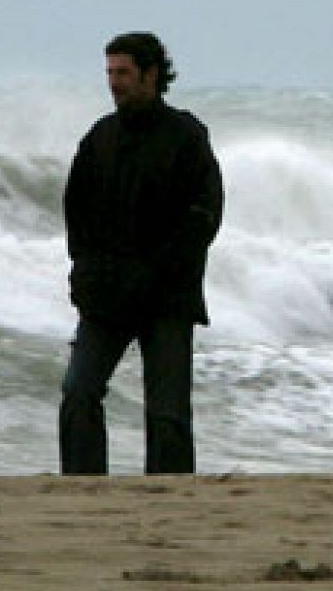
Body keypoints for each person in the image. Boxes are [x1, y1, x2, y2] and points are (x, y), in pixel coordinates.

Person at [59, 32, 223, 474]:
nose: (114, 82)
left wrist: (161, 273)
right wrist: (84, 271)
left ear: (152, 74)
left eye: (124, 73)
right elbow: (76, 212)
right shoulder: (100, 138)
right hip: (105, 296)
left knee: (167, 415)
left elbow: (204, 218)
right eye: (110, 73)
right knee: (78, 393)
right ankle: (83, 495)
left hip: (167, 298)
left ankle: (170, 508)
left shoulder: (187, 136)